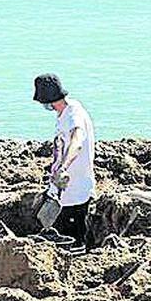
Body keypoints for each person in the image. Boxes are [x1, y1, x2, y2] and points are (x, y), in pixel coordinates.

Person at [34, 74, 95, 252]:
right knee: (58, 226)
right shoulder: (64, 114)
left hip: (76, 185)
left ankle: (78, 255)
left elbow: (77, 141)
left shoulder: (74, 114)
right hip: (63, 187)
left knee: (74, 239)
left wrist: (63, 167)